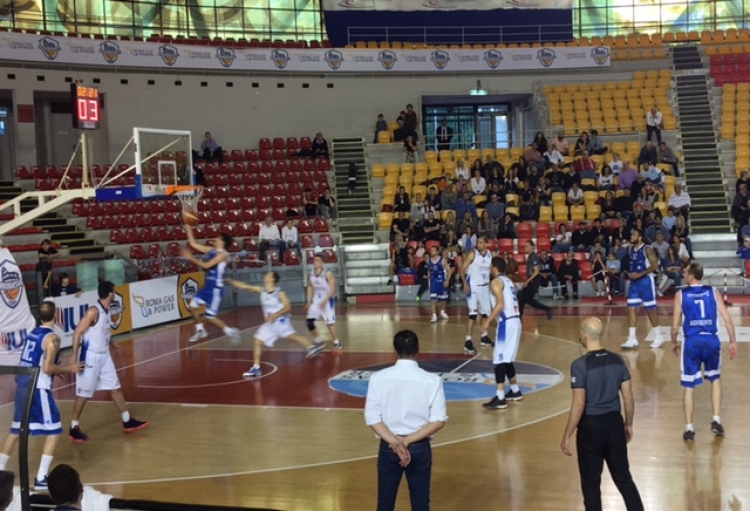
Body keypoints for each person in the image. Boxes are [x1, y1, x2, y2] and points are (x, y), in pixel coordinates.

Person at [561, 318, 644, 511]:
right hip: (614, 424)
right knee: (624, 479)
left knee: (591, 484)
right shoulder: (618, 360)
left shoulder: (580, 365)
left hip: (590, 428)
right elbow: (629, 397)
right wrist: (628, 424)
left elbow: (579, 403)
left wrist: (568, 434)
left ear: (585, 335)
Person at [0, 302, 82, 490]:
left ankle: (0, 468)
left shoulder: (33, 334)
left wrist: (55, 370)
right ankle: (41, 477)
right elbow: (47, 367)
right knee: (54, 431)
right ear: (56, 315)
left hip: (22, 385)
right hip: (38, 388)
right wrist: (68, 368)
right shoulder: (53, 338)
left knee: (15, 431)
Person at [364, 330, 447, 511]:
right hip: (419, 447)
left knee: (385, 503)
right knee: (421, 503)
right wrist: (407, 441)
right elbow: (439, 420)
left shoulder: (378, 378)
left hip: (388, 447)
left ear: (395, 350)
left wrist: (395, 443)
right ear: (418, 349)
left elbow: (372, 418)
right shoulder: (432, 380)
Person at [68, 281, 148, 443]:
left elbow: (101, 332)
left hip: (104, 356)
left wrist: (110, 342)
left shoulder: (105, 311)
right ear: (110, 294)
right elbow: (77, 332)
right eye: (114, 292)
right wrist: (74, 357)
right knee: (84, 394)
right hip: (90, 357)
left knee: (115, 387)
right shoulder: (93, 311)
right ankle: (73, 427)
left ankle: (127, 421)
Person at [671, 263, 738, 441]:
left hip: (692, 341)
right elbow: (728, 320)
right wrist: (732, 342)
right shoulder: (713, 292)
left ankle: (689, 429)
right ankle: (716, 419)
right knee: (715, 379)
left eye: (685, 272)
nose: (684, 274)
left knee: (689, 385)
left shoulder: (681, 294)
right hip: (711, 340)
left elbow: (675, 324)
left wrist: (673, 341)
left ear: (691, 275)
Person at [230, 272, 325, 379]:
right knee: (257, 340)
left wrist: (275, 315)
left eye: (268, 275)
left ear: (272, 279)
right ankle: (256, 367)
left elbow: (288, 307)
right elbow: (245, 287)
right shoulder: (262, 290)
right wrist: (231, 281)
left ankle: (311, 347)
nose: (265, 275)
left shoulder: (279, 292)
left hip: (280, 321)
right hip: (270, 324)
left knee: (291, 336)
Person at [181, 227, 240, 344]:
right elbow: (193, 244)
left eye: (217, 238)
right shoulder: (211, 250)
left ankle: (230, 331)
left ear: (222, 242)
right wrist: (188, 230)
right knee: (192, 306)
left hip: (215, 290)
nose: (215, 239)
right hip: (207, 287)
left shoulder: (224, 255)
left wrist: (191, 258)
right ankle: (200, 330)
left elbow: (207, 265)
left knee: (210, 317)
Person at [481, 257, 523, 410]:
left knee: (498, 360)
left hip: (507, 323)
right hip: (515, 321)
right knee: (506, 359)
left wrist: (487, 321)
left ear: (494, 268)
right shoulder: (508, 281)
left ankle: (500, 398)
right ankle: (515, 390)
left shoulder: (496, 282)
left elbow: (501, 304)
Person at [621, 229, 665, 349]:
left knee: (650, 310)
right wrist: (629, 273)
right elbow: (631, 266)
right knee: (631, 309)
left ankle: (659, 336)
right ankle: (632, 338)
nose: (631, 236)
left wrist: (641, 274)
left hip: (646, 282)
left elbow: (655, 265)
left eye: (634, 235)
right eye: (631, 234)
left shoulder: (647, 249)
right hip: (634, 283)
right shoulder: (630, 249)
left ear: (640, 237)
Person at [459, 236, 493, 355]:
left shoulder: (490, 255)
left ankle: (484, 337)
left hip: (485, 287)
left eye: (480, 242)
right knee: (472, 315)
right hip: (473, 287)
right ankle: (467, 341)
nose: (478, 244)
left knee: (485, 314)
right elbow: (461, 269)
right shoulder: (473, 254)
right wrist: (464, 283)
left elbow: (490, 271)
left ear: (486, 244)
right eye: (478, 242)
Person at [306, 253, 341, 352]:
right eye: (314, 260)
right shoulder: (311, 273)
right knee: (309, 322)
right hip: (316, 300)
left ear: (322, 262)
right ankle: (318, 341)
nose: (315, 262)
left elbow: (332, 288)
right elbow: (309, 286)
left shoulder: (327, 273)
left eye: (317, 260)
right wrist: (309, 301)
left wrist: (325, 300)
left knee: (329, 323)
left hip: (327, 300)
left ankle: (337, 342)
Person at [518, 240, 553, 318]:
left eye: (527, 246)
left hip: (534, 281)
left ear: (532, 247)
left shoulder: (534, 256)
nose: (525, 248)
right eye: (525, 246)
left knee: (527, 299)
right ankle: (519, 315)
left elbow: (536, 271)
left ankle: (547, 309)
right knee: (522, 297)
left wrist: (528, 280)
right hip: (531, 280)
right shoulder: (530, 256)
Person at [428, 247, 452, 323]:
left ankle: (442, 311)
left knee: (443, 299)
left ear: (437, 252)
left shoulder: (442, 260)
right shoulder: (429, 260)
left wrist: (447, 280)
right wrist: (428, 278)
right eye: (431, 250)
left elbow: (449, 270)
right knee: (433, 298)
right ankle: (434, 315)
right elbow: (429, 270)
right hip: (433, 281)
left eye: (433, 250)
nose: (431, 252)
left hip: (441, 281)